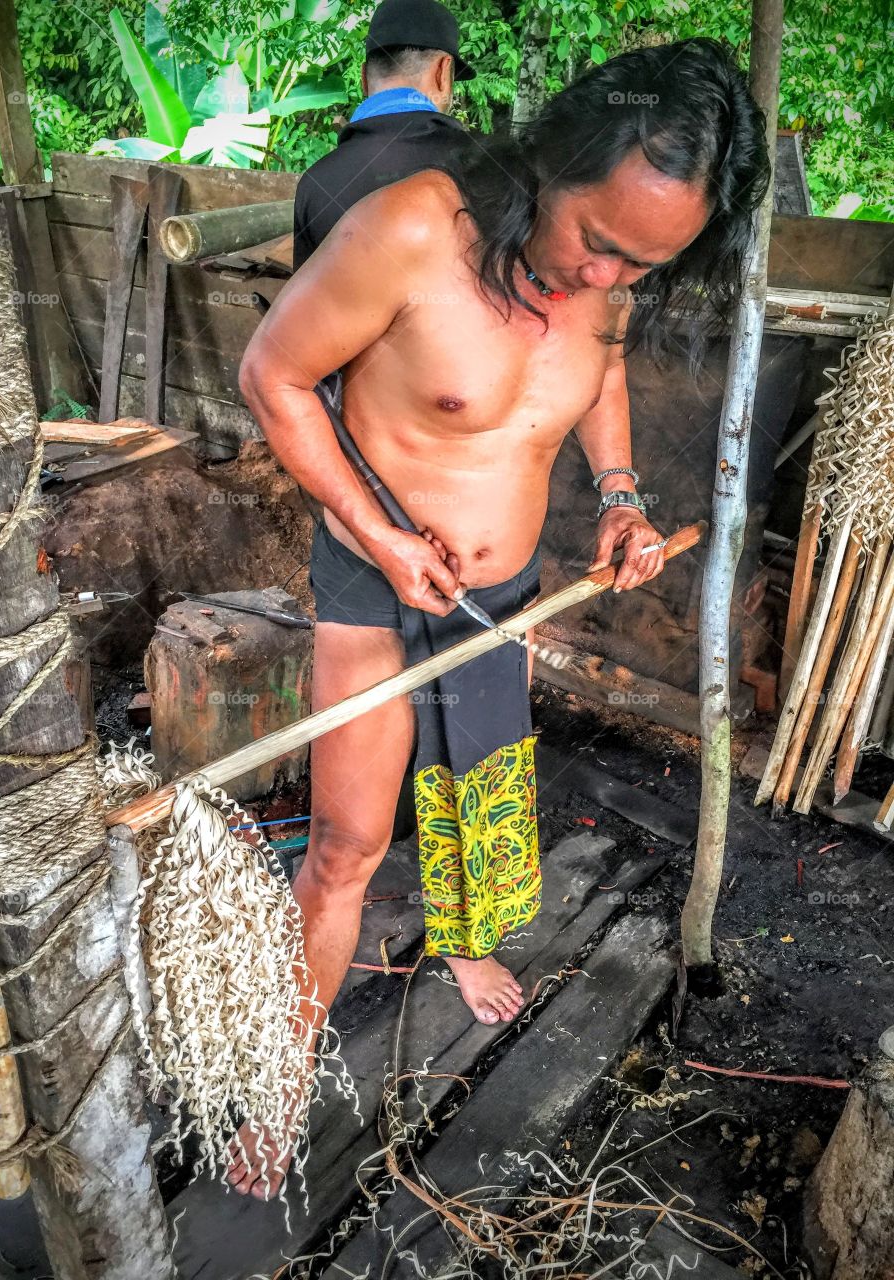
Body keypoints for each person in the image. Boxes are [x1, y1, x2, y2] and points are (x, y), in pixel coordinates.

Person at [235, 36, 770, 1199]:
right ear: (553, 163)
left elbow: (603, 377)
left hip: (507, 591)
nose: (607, 279)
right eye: (598, 242)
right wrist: (378, 537)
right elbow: (272, 373)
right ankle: (276, 1085)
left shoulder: (610, 283)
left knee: (481, 793)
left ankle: (463, 940)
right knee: (345, 845)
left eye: (643, 265)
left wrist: (621, 497)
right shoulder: (413, 228)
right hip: (381, 581)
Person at [292, 0, 475, 269]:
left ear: (364, 78)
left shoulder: (315, 184)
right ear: (443, 72)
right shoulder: (486, 168)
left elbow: (305, 304)